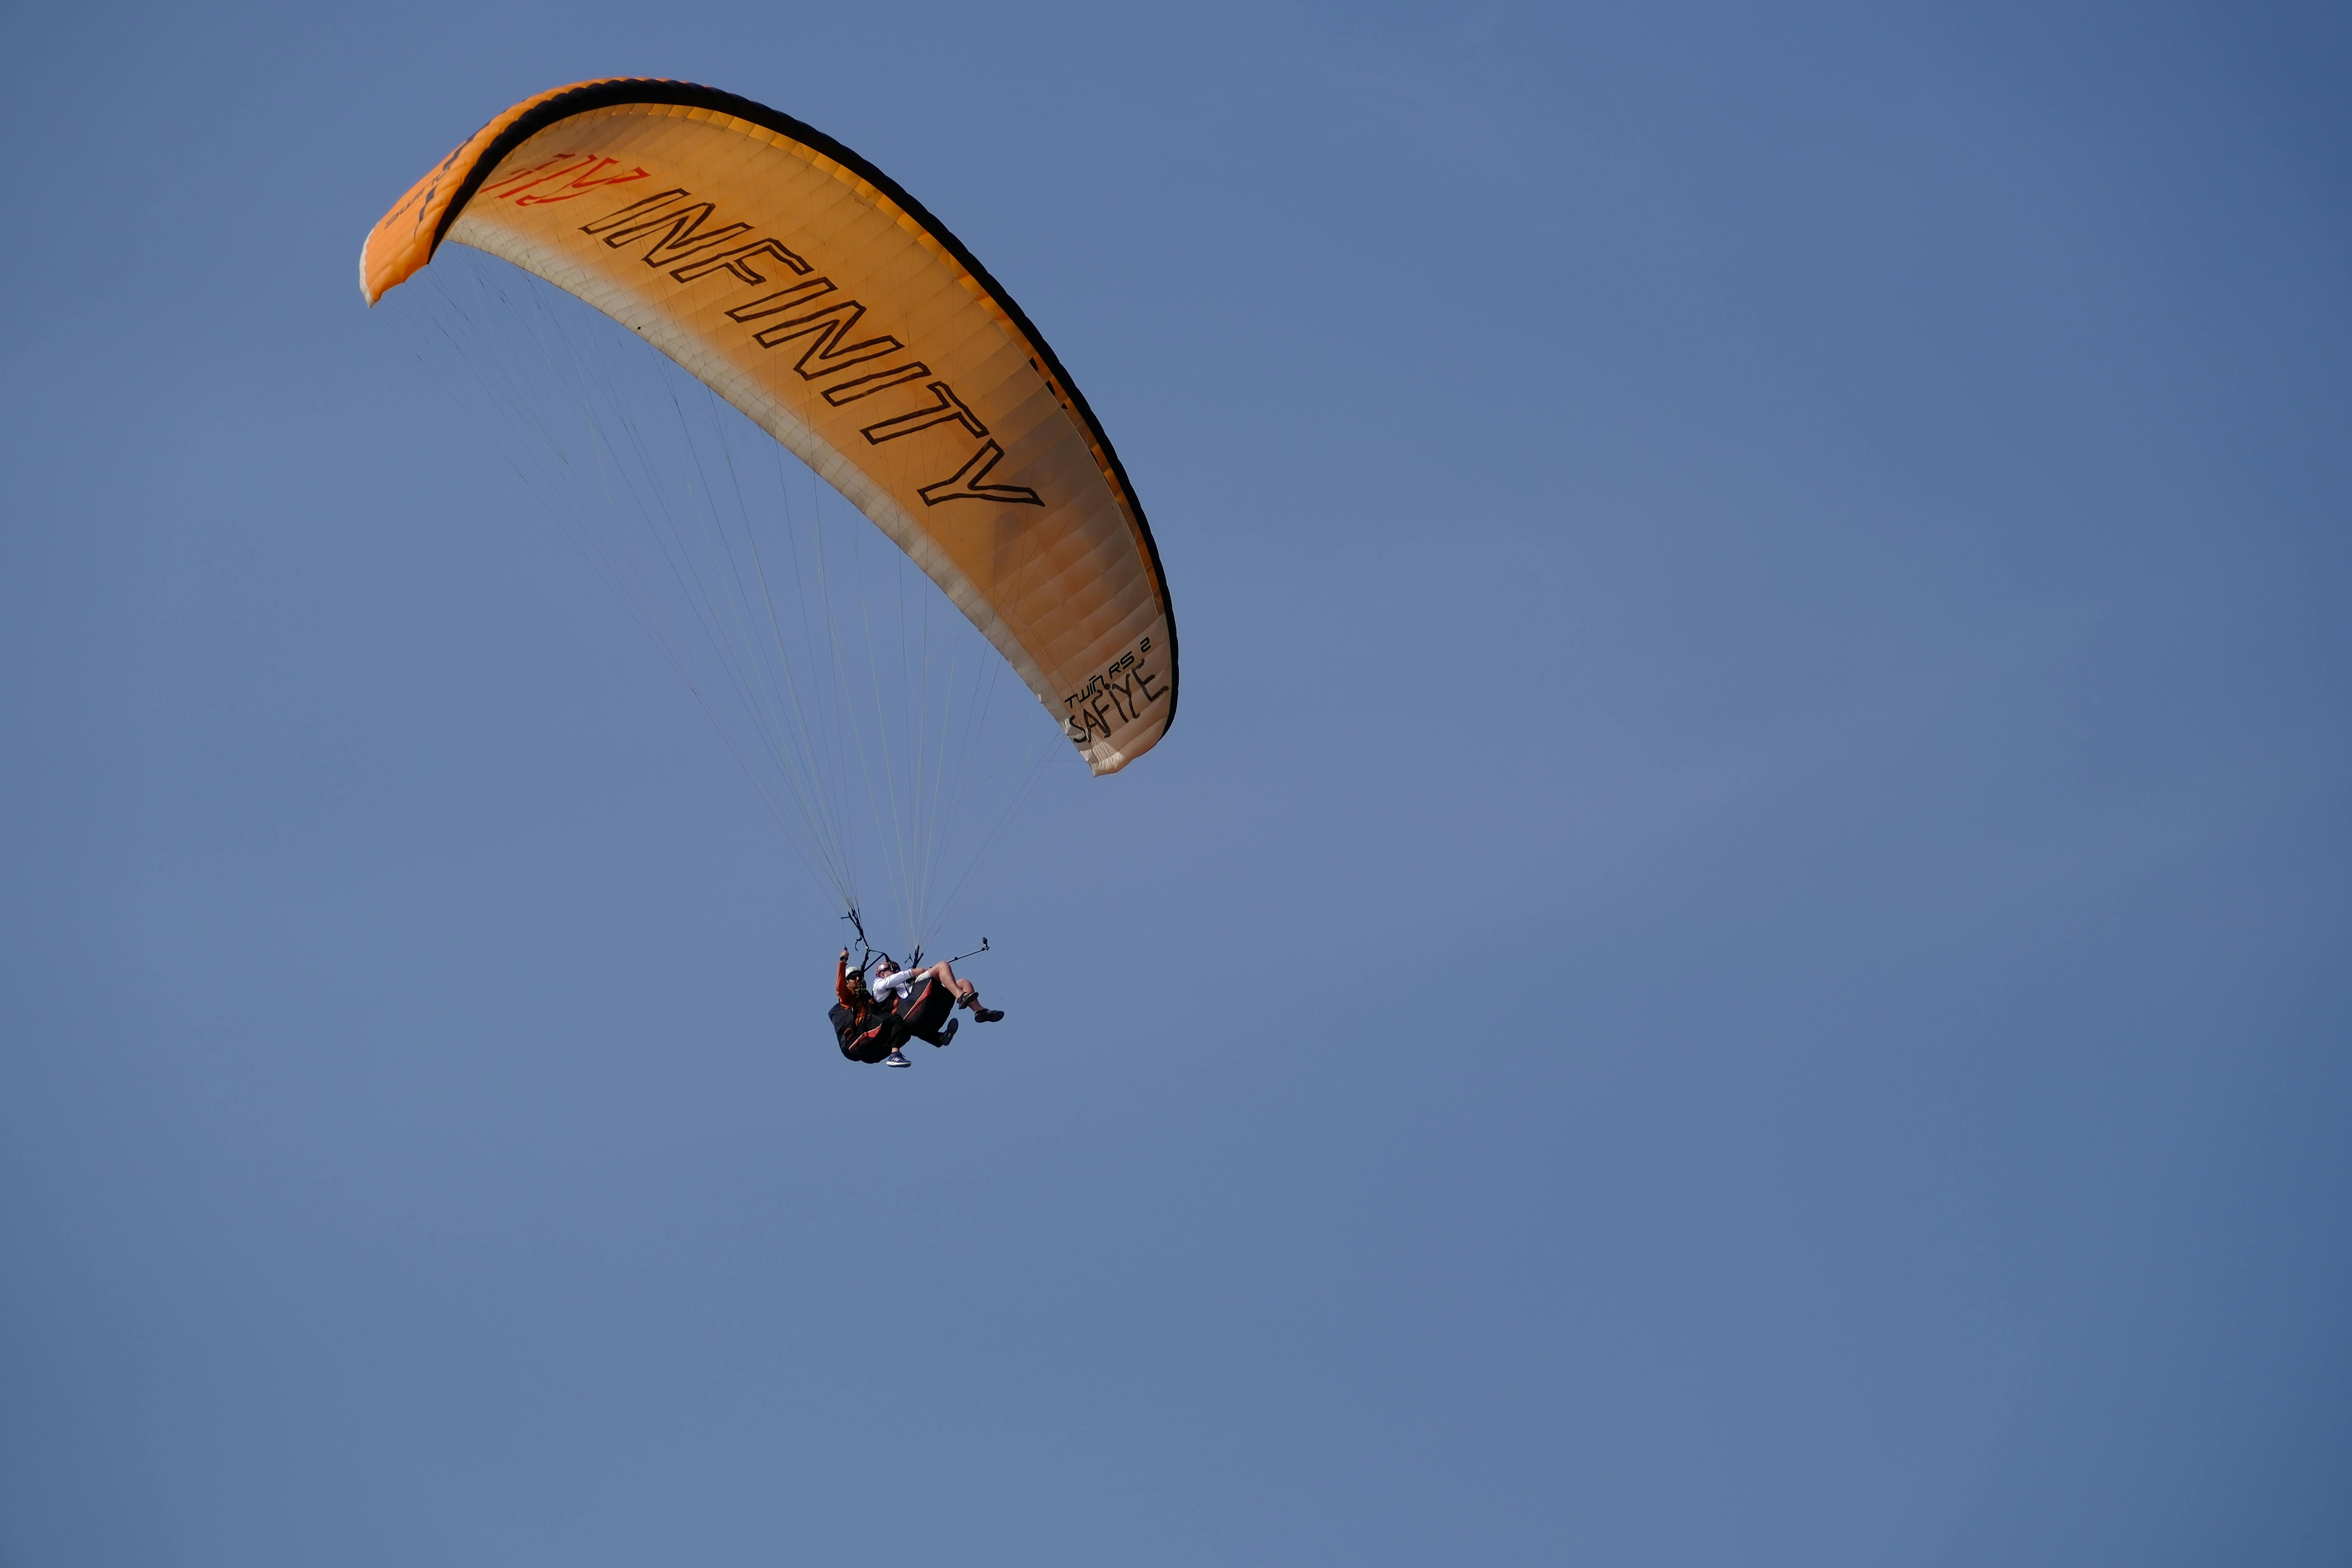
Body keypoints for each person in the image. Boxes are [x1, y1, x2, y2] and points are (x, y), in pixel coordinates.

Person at [832, 949, 1004, 1069]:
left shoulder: (872, 996)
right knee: (899, 1022)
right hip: (898, 1017)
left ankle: (978, 1011)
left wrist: (915, 978)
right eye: (853, 978)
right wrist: (842, 962)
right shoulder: (878, 987)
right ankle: (960, 999)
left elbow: (901, 984)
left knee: (964, 982)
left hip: (919, 1013)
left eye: (859, 977)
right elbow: (842, 989)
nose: (858, 980)